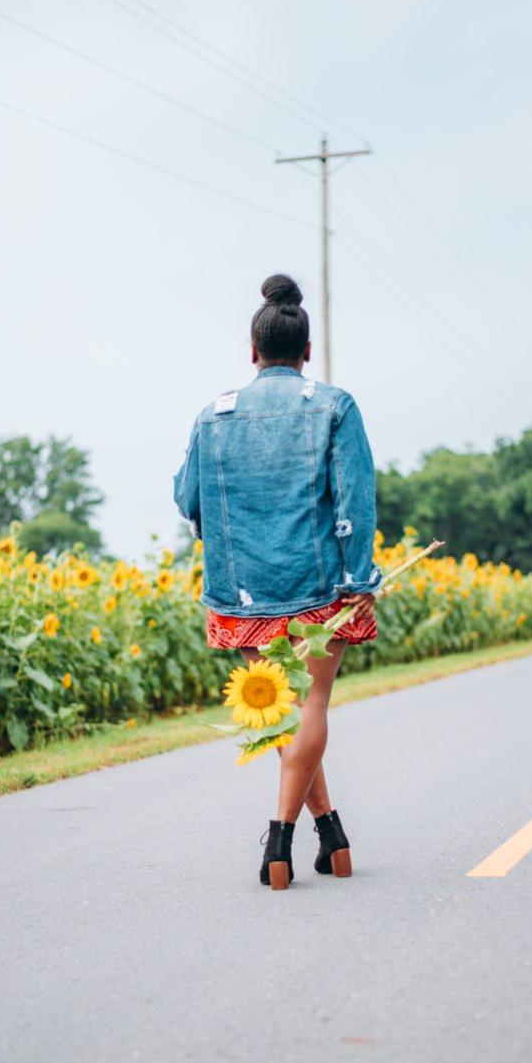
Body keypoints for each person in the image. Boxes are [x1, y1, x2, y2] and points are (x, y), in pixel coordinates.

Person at [173, 273, 382, 889]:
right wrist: (359, 577)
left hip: (241, 596)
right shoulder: (334, 406)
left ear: (254, 352)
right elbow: (356, 501)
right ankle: (282, 843)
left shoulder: (212, 417)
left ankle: (332, 838)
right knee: (309, 705)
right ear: (307, 352)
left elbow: (188, 500)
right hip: (320, 590)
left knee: (283, 714)